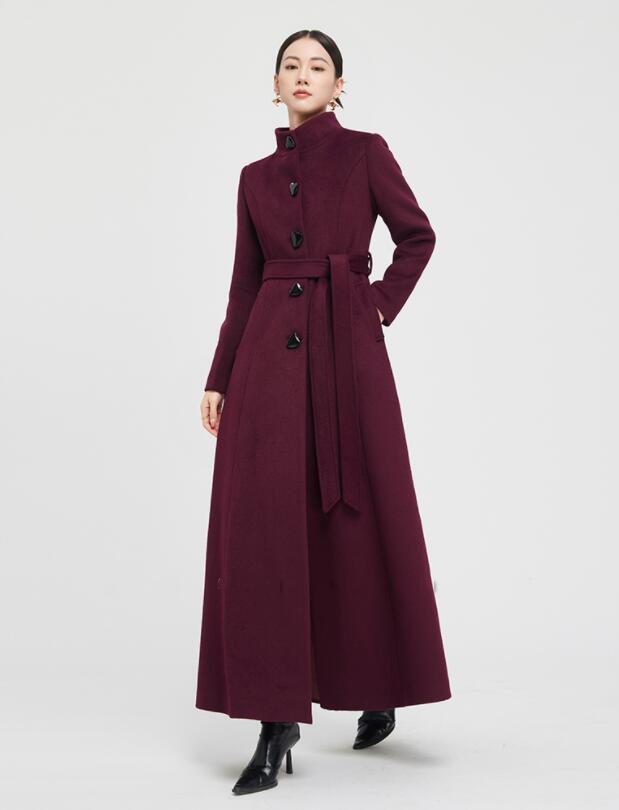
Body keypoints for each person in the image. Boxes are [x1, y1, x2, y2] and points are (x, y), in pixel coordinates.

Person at [196, 29, 451, 795]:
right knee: (267, 531)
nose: (302, 75)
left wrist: (374, 305)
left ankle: (378, 683)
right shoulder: (252, 178)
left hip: (347, 356)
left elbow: (417, 236)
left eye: (317, 67)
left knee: (359, 517)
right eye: (290, 65)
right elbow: (244, 285)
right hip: (266, 366)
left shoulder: (366, 152)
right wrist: (219, 376)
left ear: (339, 85)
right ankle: (276, 720)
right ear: (273, 83)